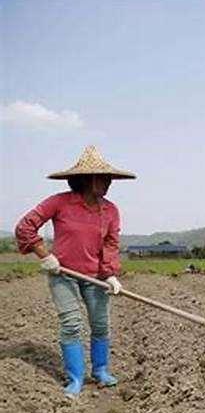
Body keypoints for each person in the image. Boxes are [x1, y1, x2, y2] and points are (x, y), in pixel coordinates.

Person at [15, 145, 135, 396]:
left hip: (95, 277)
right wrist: (45, 256)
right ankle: (75, 378)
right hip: (62, 274)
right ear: (85, 179)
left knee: (100, 324)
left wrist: (110, 273)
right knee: (71, 324)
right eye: (101, 178)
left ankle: (100, 371)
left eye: (108, 178)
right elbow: (25, 227)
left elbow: (111, 244)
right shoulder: (59, 203)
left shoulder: (110, 210)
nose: (107, 183)